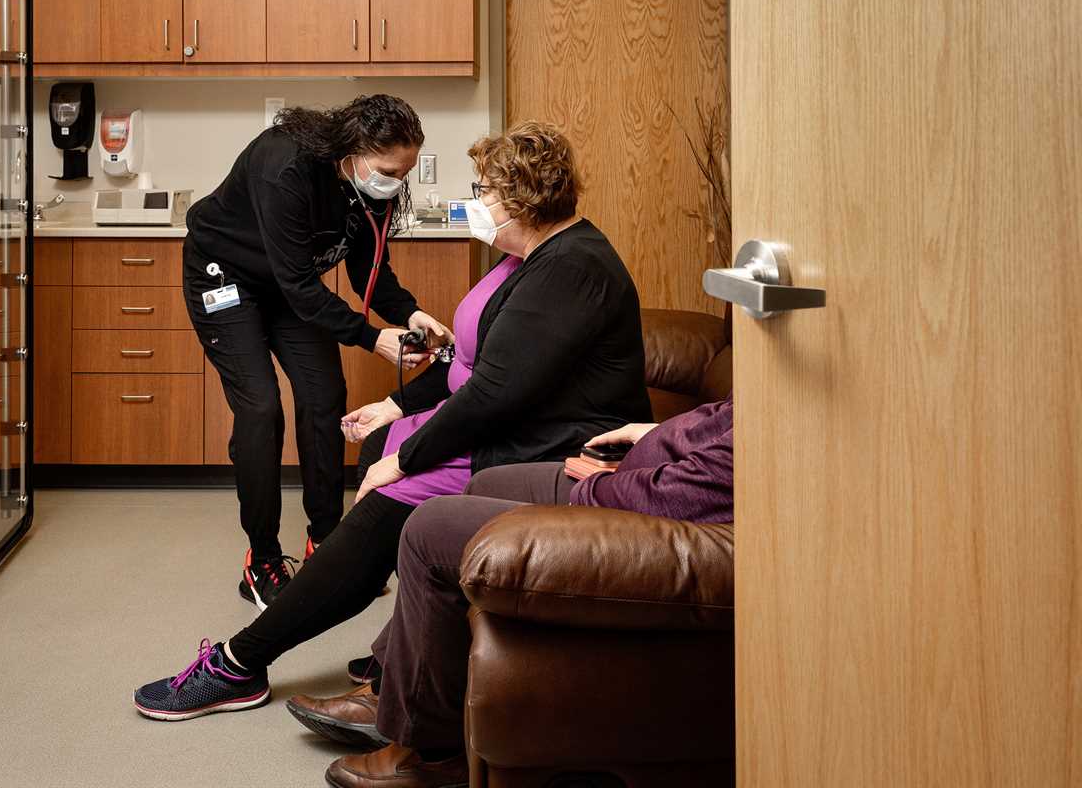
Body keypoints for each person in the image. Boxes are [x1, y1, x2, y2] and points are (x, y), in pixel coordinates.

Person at [133, 121, 653, 722]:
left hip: (546, 444)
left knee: (387, 492)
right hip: (516, 423)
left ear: (522, 200)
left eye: (485, 190)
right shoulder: (530, 257)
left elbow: (491, 393)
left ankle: (239, 663)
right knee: (375, 441)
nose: (475, 201)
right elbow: (470, 362)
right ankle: (390, 641)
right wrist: (395, 406)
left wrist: (405, 461)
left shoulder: (570, 269)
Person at [295, 398, 735, 788]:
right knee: (487, 483)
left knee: (430, 530)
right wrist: (656, 434)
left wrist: (597, 487)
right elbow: (724, 418)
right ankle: (397, 686)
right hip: (644, 472)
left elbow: (691, 491)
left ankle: (428, 751)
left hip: (655, 514)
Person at [182, 95, 451, 611]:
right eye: (389, 172)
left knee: (324, 394)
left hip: (289, 286)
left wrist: (411, 314)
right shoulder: (284, 166)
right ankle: (262, 559)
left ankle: (326, 541)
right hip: (224, 279)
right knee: (260, 408)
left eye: (404, 173)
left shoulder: (369, 187)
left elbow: (370, 273)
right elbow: (303, 289)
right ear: (352, 152)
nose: (396, 183)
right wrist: (373, 338)